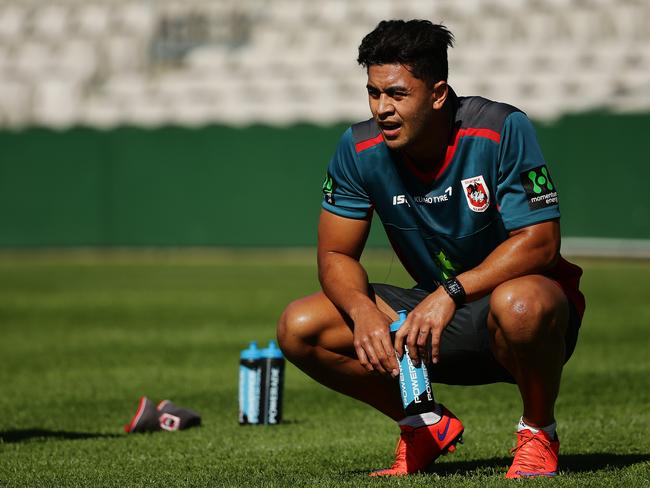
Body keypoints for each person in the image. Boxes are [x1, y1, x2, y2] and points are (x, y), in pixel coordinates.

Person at [277, 19, 585, 479]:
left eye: (397, 94)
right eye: (373, 93)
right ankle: (422, 424)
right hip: (431, 315)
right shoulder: (358, 148)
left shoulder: (502, 128)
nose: (382, 108)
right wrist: (362, 311)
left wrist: (451, 294)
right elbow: (336, 255)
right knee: (300, 327)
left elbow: (540, 242)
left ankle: (538, 432)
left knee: (521, 304)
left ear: (438, 93)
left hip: (520, 315)